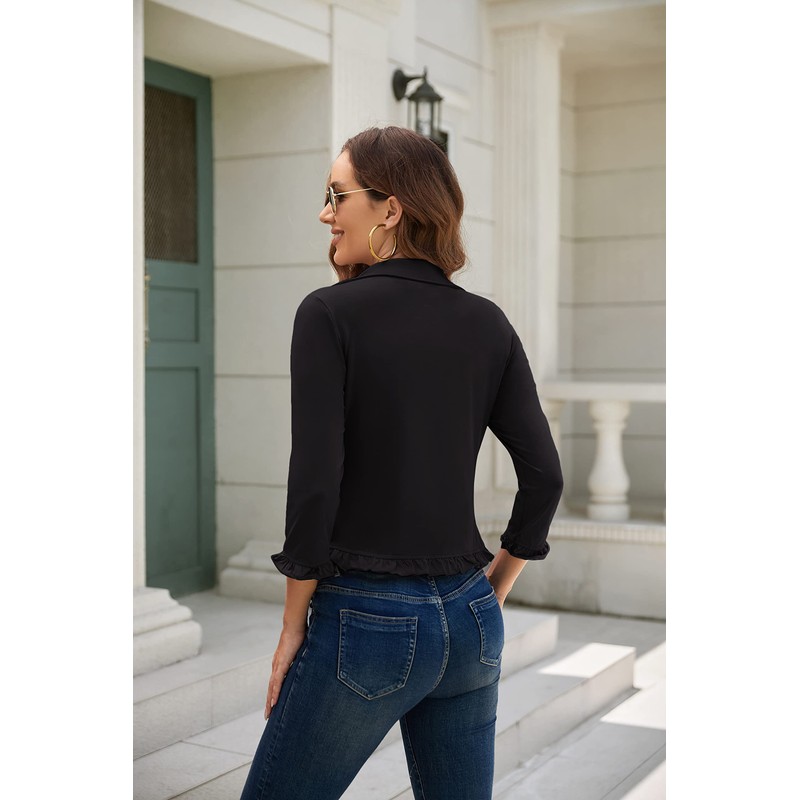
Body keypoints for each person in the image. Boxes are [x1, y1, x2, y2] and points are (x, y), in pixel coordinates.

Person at [239, 126, 563, 800]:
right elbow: (545, 478)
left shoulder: (328, 313)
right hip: (471, 618)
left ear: (390, 208)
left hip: (366, 620)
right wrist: (490, 592)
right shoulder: (488, 323)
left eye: (337, 195)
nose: (325, 213)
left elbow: (315, 484)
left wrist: (293, 625)